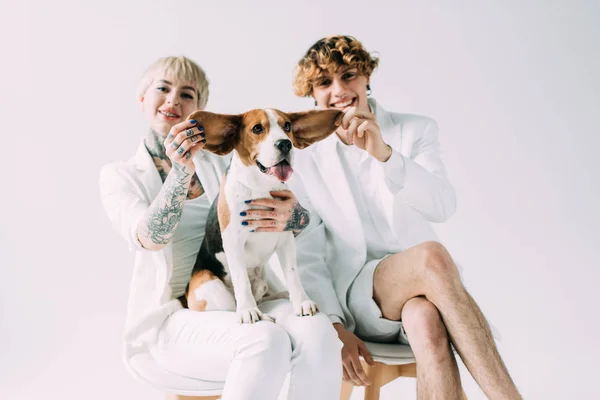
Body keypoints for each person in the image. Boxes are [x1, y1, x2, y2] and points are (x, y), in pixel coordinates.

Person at [289, 35, 522, 399]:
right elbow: (308, 250)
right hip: (357, 295)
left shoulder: (415, 130)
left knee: (425, 319)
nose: (339, 90)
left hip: (427, 290)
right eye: (324, 82)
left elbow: (441, 206)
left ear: (366, 77)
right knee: (432, 255)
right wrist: (333, 325)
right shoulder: (304, 158)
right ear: (312, 95)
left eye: (348, 75)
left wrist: (386, 155)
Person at [99, 55, 342, 400]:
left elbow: (302, 221)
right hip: (175, 315)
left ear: (201, 112)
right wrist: (181, 171)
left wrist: (293, 215)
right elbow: (148, 237)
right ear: (142, 100)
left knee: (318, 333)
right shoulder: (119, 175)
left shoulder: (234, 155)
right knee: (264, 340)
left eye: (187, 94)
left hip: (251, 292)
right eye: (163, 88)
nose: (173, 100)